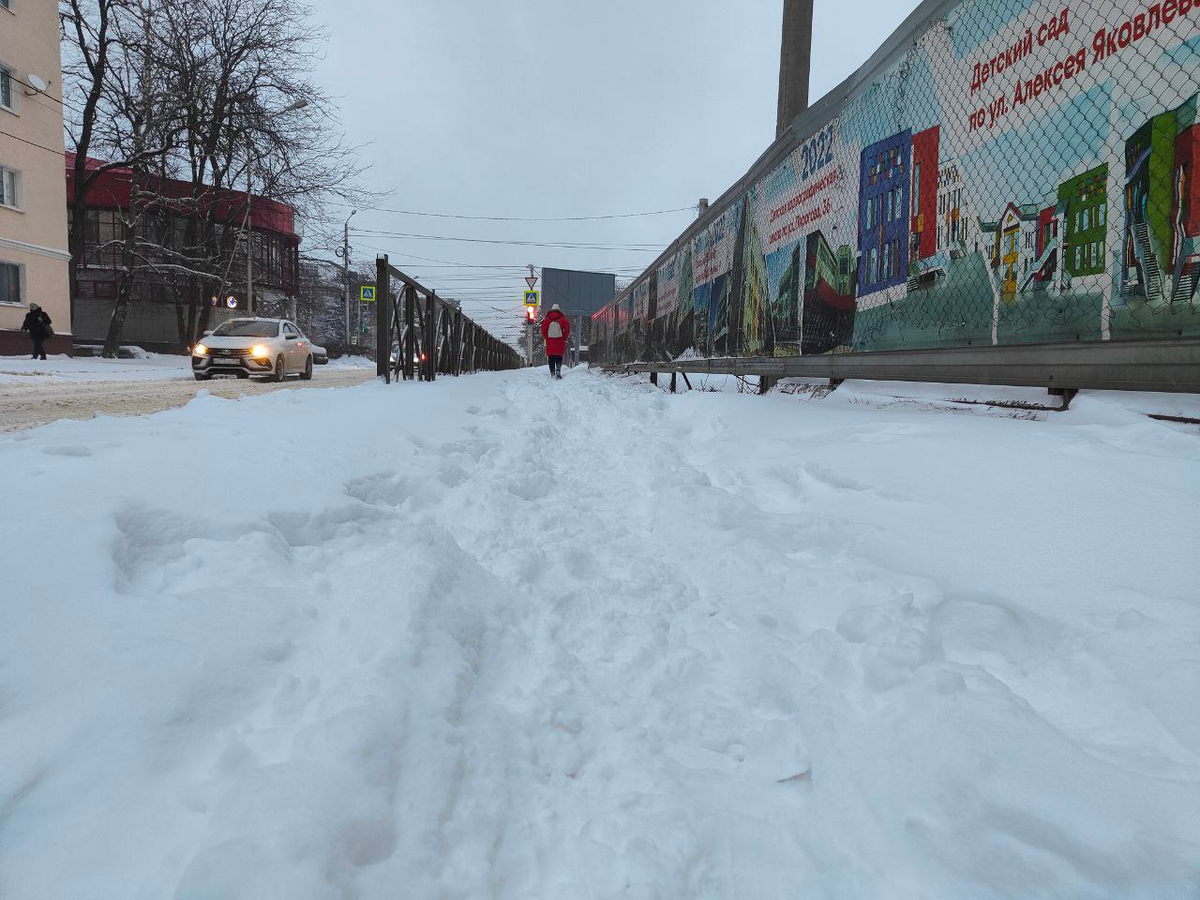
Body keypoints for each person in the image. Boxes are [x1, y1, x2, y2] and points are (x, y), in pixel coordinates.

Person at [540, 303, 571, 379]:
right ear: (559, 310)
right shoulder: (562, 318)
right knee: (559, 356)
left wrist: (546, 337)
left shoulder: (547, 319)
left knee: (551, 357)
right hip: (560, 340)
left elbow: (543, 329)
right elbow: (567, 328)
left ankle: (552, 373)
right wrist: (564, 337)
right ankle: (558, 370)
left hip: (550, 340)